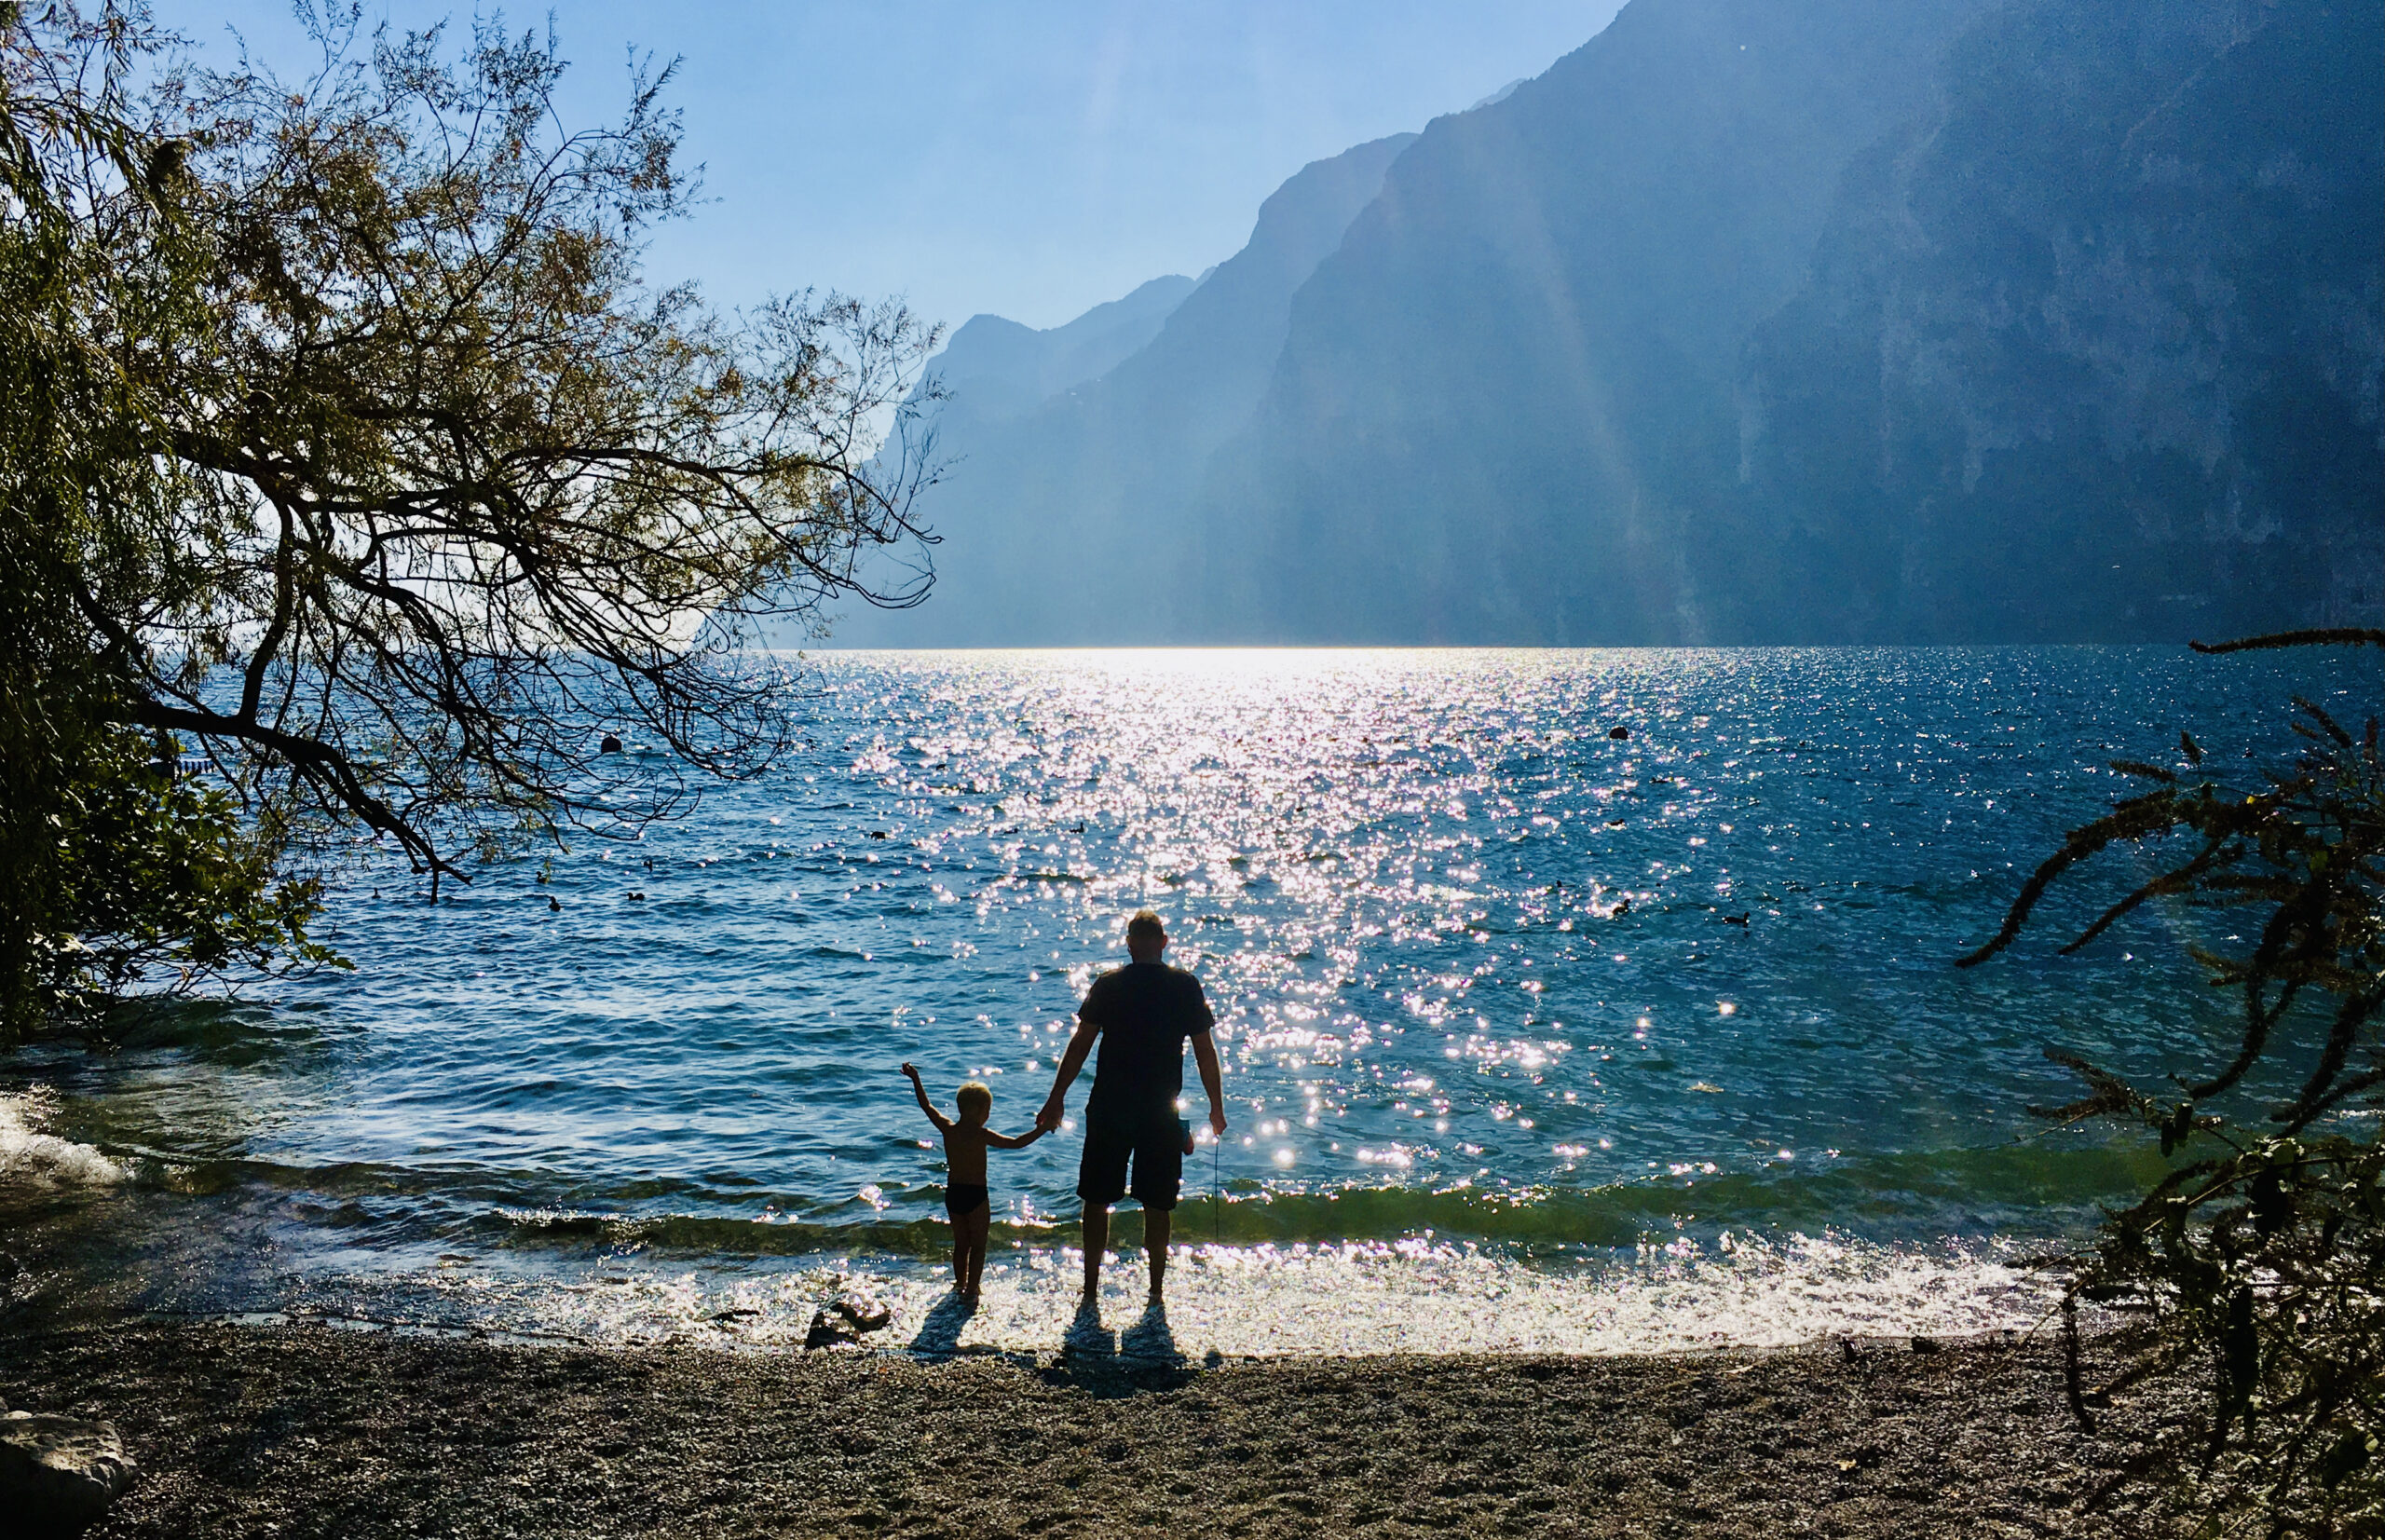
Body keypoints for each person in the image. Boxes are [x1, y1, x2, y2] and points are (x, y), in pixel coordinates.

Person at [1036, 909, 1228, 1302]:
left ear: (1129, 943)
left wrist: (1056, 1098)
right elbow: (1205, 1052)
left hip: (1110, 1104)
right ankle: (1155, 1292)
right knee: (1157, 1202)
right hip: (1161, 1109)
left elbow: (1080, 1045)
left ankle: (1090, 1289)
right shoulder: (1184, 985)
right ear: (1164, 941)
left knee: (1096, 1198)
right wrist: (1216, 1107)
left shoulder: (1110, 984)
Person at [901, 1063, 1046, 1300]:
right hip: (977, 1195)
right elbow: (1017, 1143)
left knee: (961, 1244)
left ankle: (960, 1284)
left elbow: (926, 1106)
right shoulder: (982, 1134)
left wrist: (915, 1078)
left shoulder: (948, 1129)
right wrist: (1043, 1129)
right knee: (978, 1245)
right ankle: (973, 1288)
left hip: (954, 1193)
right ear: (982, 1111)